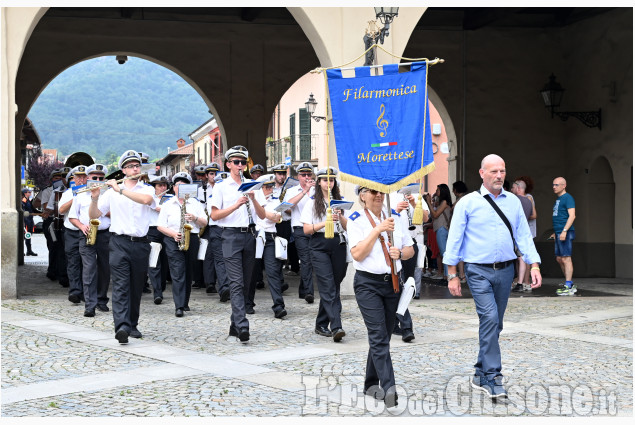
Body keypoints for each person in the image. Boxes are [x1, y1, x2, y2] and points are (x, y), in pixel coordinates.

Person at [444, 154, 542, 399]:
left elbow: (523, 236)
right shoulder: (467, 203)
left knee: (495, 323)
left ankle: (479, 370)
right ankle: (492, 376)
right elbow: (455, 239)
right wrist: (452, 273)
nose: (499, 176)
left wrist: (535, 264)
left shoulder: (513, 202)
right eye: (493, 171)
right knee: (489, 317)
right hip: (478, 270)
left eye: (502, 171)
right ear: (482, 173)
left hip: (506, 270)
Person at [348, 185, 415, 408]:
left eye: (380, 192)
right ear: (362, 196)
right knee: (378, 336)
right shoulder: (356, 219)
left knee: (383, 336)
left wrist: (400, 253)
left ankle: (369, 384)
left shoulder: (396, 216)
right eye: (372, 192)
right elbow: (357, 253)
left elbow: (410, 249)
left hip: (392, 284)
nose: (378, 196)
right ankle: (389, 391)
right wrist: (377, 230)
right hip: (368, 284)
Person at [89, 150, 156, 344]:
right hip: (119, 242)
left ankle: (132, 324)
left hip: (141, 244)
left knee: (136, 287)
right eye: (131, 166)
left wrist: (120, 190)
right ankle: (121, 327)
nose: (135, 168)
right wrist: (94, 197)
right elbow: (94, 215)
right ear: (123, 170)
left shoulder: (146, 189)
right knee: (120, 286)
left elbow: (146, 201)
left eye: (137, 166)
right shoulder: (110, 192)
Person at [210, 145, 266, 343]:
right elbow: (214, 215)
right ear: (228, 165)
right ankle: (243, 325)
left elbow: (262, 215)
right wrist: (236, 205)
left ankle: (234, 325)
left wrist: (253, 198)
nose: (240, 165)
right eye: (236, 162)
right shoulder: (221, 187)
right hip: (230, 236)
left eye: (243, 162)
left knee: (246, 282)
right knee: (235, 282)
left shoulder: (252, 184)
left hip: (250, 235)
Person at [301, 167, 348, 342]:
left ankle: (321, 323)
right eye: (325, 180)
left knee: (333, 286)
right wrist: (324, 223)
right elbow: (306, 229)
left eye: (332, 180)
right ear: (319, 182)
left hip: (338, 243)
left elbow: (347, 226)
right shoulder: (312, 202)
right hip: (319, 244)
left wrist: (340, 216)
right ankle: (336, 326)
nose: (329, 183)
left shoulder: (340, 201)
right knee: (328, 286)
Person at [158, 172, 207, 317]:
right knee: (177, 271)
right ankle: (178, 306)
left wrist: (195, 218)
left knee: (188, 271)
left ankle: (184, 302)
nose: (181, 189)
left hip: (191, 238)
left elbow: (205, 222)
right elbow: (160, 226)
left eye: (185, 186)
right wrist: (173, 234)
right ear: (173, 188)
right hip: (173, 238)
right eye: (178, 186)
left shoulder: (195, 203)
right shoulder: (167, 204)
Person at [69, 164, 111, 317]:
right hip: (86, 234)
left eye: (101, 178)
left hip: (105, 234)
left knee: (105, 269)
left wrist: (103, 211)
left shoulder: (109, 194)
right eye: (95, 178)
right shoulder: (80, 195)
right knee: (89, 269)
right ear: (88, 178)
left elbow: (117, 213)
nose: (98, 180)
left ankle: (101, 300)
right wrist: (81, 226)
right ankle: (90, 305)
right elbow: (72, 216)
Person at [253, 174, 288, 318]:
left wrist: (261, 210)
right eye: (267, 187)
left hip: (269, 238)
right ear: (260, 188)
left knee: (273, 272)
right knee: (251, 272)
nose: (271, 189)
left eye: (272, 186)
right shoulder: (252, 201)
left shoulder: (275, 201)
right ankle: (248, 303)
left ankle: (279, 305)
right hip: (254, 236)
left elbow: (276, 217)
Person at [285, 161, 316, 304]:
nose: (306, 177)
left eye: (309, 174)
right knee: (305, 260)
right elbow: (287, 208)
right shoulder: (292, 190)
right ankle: (309, 292)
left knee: (312, 260)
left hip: (315, 228)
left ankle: (303, 290)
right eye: (303, 175)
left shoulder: (317, 190)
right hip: (299, 229)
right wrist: (304, 192)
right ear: (298, 176)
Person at [57, 166, 85, 303]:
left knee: (87, 263)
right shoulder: (68, 193)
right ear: (73, 179)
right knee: (72, 262)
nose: (82, 179)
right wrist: (75, 197)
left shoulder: (93, 192)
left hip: (86, 230)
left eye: (84, 176)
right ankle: (75, 291)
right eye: (78, 177)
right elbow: (61, 210)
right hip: (71, 231)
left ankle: (86, 292)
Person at [147, 175, 171, 304]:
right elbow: (155, 208)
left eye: (164, 185)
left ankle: (161, 287)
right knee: (154, 261)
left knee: (165, 261)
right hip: (153, 231)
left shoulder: (171, 198)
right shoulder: (151, 199)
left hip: (167, 231)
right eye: (159, 186)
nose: (162, 187)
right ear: (154, 188)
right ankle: (157, 292)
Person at [551, 177, 576, 296]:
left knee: (566, 258)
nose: (554, 187)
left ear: (564, 185)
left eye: (556, 185)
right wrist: (556, 232)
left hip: (565, 232)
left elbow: (572, 216)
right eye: (553, 185)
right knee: (559, 258)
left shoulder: (568, 198)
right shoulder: (559, 199)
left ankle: (569, 285)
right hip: (559, 232)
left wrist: (564, 231)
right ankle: (568, 282)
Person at [511, 179, 536, 293]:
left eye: (513, 188)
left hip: (515, 233)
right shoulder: (528, 201)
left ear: (518, 188)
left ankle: (518, 282)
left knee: (517, 259)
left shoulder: (515, 200)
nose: (511, 190)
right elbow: (532, 215)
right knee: (522, 259)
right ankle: (522, 282)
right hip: (524, 232)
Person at [424, 184, 453, 280]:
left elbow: (435, 215)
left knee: (444, 253)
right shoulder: (442, 202)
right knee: (442, 252)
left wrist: (428, 202)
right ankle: (446, 275)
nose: (436, 192)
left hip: (442, 228)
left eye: (438, 190)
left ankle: (447, 276)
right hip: (440, 228)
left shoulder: (444, 202)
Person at [452, 181, 468, 283]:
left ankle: (462, 274)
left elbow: (453, 208)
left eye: (453, 189)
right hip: (464, 229)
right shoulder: (465, 198)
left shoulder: (462, 199)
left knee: (460, 252)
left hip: (462, 229)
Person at [22, 188, 38, 256]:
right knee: (26, 236)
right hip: (26, 220)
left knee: (29, 236)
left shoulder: (28, 200)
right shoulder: (24, 200)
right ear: (25, 193)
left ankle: (29, 250)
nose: (30, 193)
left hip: (30, 220)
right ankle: (23, 251)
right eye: (29, 192)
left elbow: (32, 210)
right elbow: (23, 211)